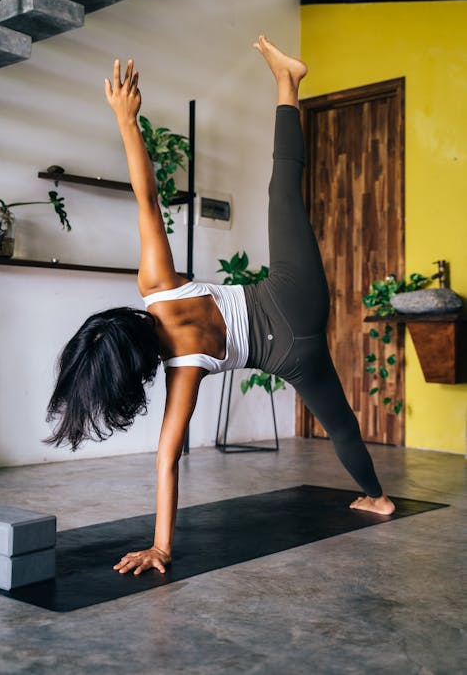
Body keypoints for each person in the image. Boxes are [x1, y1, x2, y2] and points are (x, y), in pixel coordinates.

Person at [46, 35, 395, 577]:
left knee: (342, 426)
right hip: (291, 291)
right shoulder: (157, 285)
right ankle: (287, 81)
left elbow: (166, 461)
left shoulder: (182, 372)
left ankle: (377, 496)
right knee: (284, 188)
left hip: (293, 355)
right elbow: (147, 197)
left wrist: (160, 547)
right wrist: (126, 121)